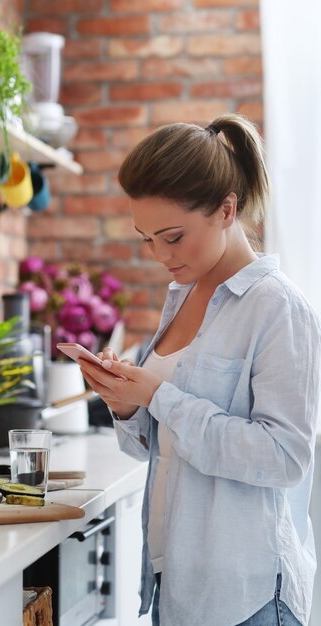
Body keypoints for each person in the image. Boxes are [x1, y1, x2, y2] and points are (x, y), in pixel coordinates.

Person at [78, 114, 320, 626]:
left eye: (171, 236)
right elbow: (166, 447)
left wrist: (160, 397)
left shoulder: (277, 307)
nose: (160, 255)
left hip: (247, 597)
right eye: (147, 239)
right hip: (179, 583)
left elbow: (285, 458)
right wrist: (128, 407)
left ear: (226, 209)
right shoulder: (183, 297)